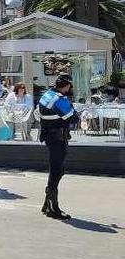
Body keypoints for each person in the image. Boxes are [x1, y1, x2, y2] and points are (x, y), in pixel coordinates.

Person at [38, 74, 76, 220]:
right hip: (58, 138)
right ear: (65, 86)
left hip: (50, 137)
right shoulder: (59, 99)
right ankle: (53, 208)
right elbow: (73, 117)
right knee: (57, 170)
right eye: (69, 86)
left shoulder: (47, 95)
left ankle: (47, 203)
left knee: (56, 169)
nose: (70, 89)